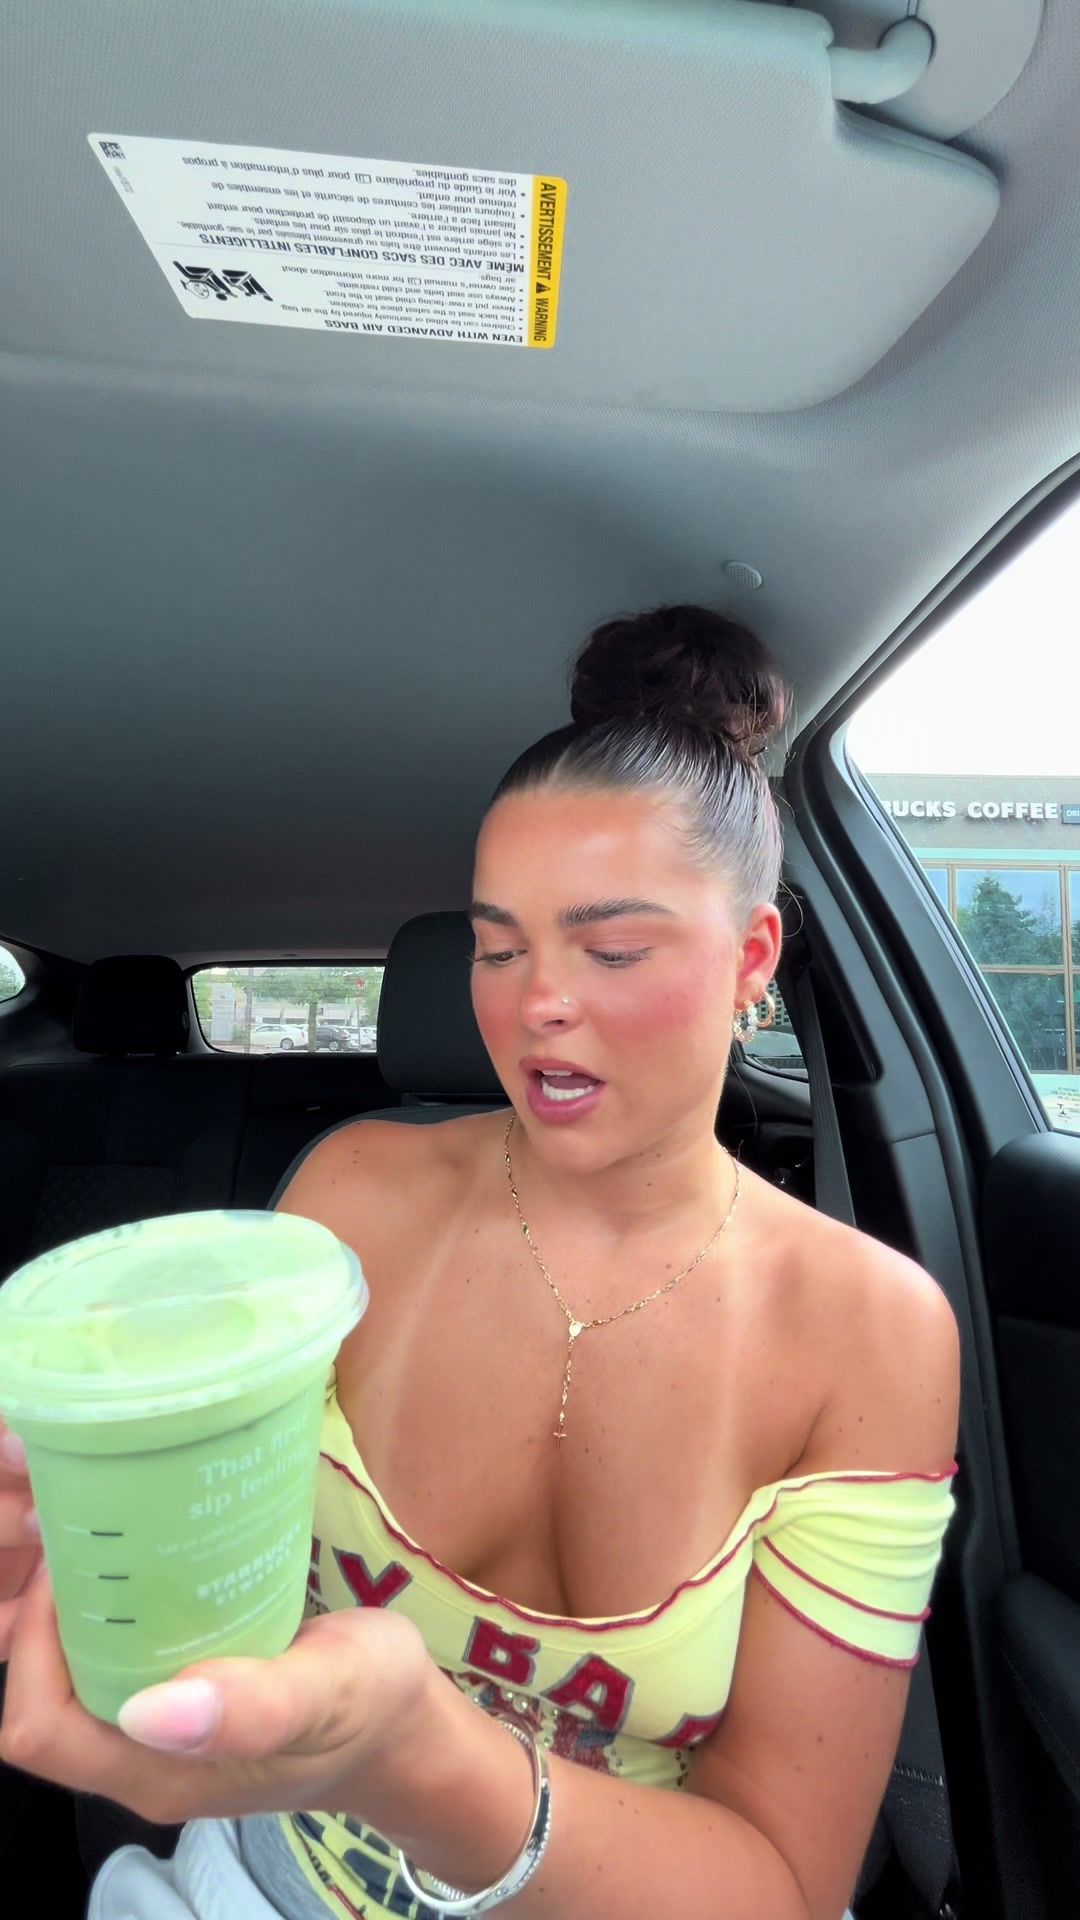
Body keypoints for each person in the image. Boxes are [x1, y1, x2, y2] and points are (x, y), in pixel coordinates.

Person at [0, 605, 960, 1920]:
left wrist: (423, 1765)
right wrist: (95, 1557)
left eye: (611, 949)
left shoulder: (869, 1330)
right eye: (498, 947)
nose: (534, 1002)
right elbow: (215, 1568)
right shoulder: (355, 1195)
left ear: (752, 960)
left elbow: (783, 1883)